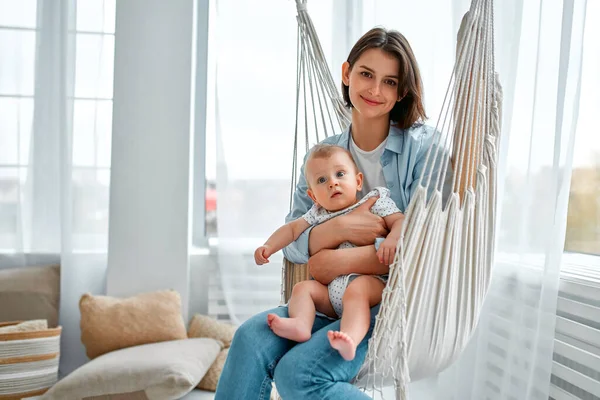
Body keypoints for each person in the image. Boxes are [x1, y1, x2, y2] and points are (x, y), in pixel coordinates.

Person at [215, 27, 452, 400]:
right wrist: (338, 229)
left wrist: (333, 261)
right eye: (366, 75)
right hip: (325, 299)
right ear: (347, 74)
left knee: (298, 373)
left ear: (401, 91)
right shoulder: (324, 158)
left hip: (387, 304)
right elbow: (294, 247)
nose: (375, 90)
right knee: (249, 338)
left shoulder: (424, 149)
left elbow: (427, 245)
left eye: (389, 81)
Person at [254, 143, 404, 361]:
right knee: (303, 288)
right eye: (322, 180)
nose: (333, 182)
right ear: (313, 196)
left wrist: (392, 238)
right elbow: (292, 229)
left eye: (340, 174)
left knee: (357, 290)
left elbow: (401, 221)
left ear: (358, 181)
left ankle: (349, 339)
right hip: (332, 295)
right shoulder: (317, 213)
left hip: (370, 284)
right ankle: (301, 324)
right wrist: (269, 246)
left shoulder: (374, 201)